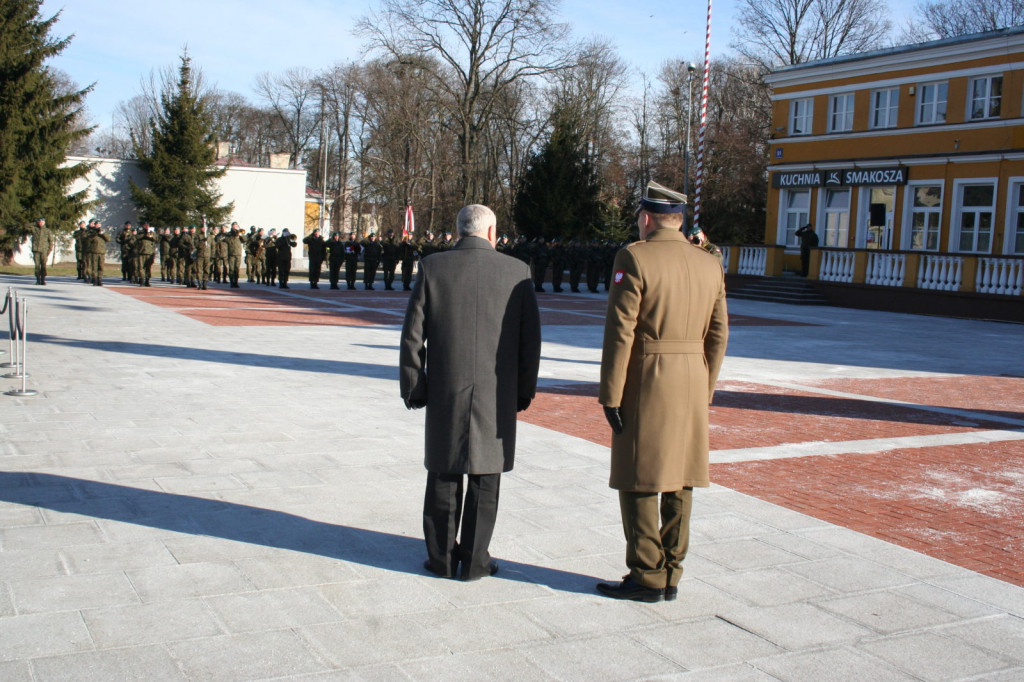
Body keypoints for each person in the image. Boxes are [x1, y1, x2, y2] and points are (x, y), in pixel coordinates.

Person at [596, 180, 729, 603]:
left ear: (647, 218)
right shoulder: (710, 263)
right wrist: (704, 387)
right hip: (692, 376)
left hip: (648, 376)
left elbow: (622, 331)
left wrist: (610, 394)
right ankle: (672, 571)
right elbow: (720, 333)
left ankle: (646, 574)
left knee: (638, 477)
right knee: (680, 479)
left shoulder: (634, 257)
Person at [399, 204, 541, 581]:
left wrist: (415, 385)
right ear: (492, 232)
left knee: (445, 472)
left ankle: (442, 558)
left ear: (459, 230)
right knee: (486, 476)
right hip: (497, 393)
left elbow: (413, 334)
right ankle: (475, 561)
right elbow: (530, 343)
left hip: (447, 386)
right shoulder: (517, 272)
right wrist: (523, 391)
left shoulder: (434, 267)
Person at [29, 218, 53, 285]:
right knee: (37, 265)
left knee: (43, 266)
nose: (41, 223)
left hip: (44, 251)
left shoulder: (48, 231)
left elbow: (51, 241)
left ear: (44, 222)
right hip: (36, 250)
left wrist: (49, 250)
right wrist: (35, 223)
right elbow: (26, 226)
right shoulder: (35, 229)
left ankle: (43, 280)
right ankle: (37, 280)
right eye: (39, 222)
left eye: (42, 222)